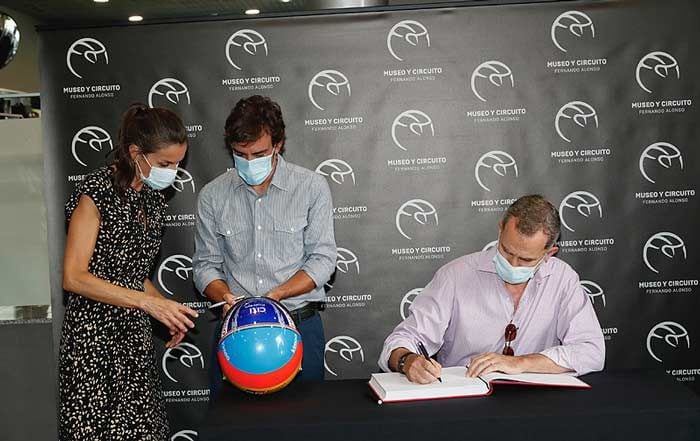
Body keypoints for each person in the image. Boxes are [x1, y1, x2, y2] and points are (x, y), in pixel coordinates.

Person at [60, 104, 199, 440]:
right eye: (165, 164)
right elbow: (74, 277)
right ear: (136, 152)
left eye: (178, 165)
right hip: (92, 338)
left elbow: (134, 274)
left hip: (133, 339)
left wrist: (166, 311)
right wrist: (146, 304)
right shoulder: (96, 193)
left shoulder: (153, 201)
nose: (172, 172)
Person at [379, 194, 605, 383]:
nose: (513, 264)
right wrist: (407, 361)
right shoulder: (456, 275)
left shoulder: (563, 279)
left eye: (525, 260)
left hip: (536, 404)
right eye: (507, 251)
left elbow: (591, 351)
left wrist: (521, 363)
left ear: (549, 254)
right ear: (500, 230)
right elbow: (402, 340)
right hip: (465, 400)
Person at [193, 95, 336, 387]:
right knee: (233, 429)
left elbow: (323, 260)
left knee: (306, 425)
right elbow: (205, 266)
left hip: (299, 326)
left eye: (258, 154)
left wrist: (277, 296)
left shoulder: (311, 187)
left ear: (278, 145)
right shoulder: (212, 195)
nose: (249, 163)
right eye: (240, 154)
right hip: (236, 332)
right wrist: (225, 297)